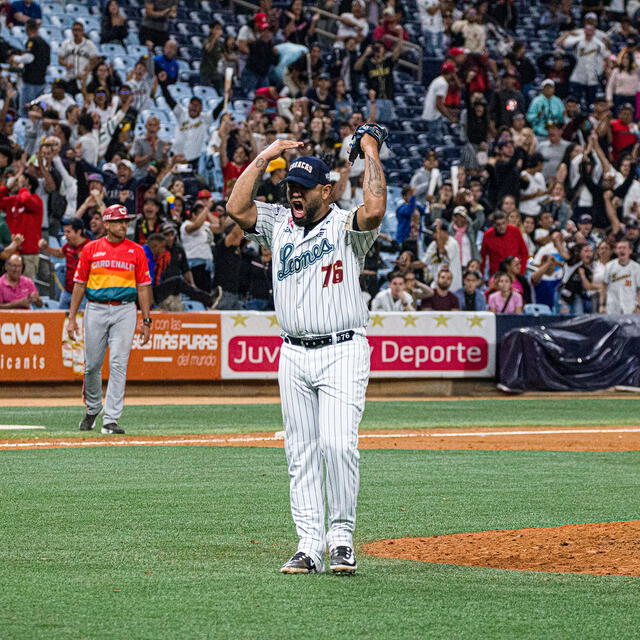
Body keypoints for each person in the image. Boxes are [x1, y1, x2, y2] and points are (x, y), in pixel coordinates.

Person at [225, 126, 388, 575]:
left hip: (342, 349)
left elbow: (373, 208)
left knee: (337, 446)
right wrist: (268, 154)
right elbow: (236, 206)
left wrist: (370, 148)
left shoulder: (343, 225)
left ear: (326, 189)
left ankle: (342, 539)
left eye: (302, 188)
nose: (294, 195)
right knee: (299, 453)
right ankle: (309, 545)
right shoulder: (278, 223)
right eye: (290, 187)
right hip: (293, 354)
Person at [67, 204, 152, 436]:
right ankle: (93, 408)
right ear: (106, 224)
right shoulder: (90, 249)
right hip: (95, 308)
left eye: (125, 221)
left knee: (118, 363)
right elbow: (79, 284)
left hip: (125, 309)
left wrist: (146, 320)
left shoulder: (136, 251)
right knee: (92, 365)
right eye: (118, 221)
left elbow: (144, 287)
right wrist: (72, 317)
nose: (123, 225)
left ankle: (111, 418)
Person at [38, 217, 89, 310]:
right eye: (65, 232)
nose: (65, 235)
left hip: (83, 294)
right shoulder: (69, 244)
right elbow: (60, 253)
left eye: (68, 232)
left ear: (78, 232)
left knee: (80, 319)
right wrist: (46, 247)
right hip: (67, 291)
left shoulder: (89, 247)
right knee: (60, 318)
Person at [0, 172, 43, 280]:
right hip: (11, 251)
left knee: (26, 290)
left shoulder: (37, 201)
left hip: (28, 254)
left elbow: (26, 200)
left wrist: (23, 188)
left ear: (29, 184)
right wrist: (6, 188)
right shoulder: (13, 200)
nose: (17, 181)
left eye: (20, 179)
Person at [16, 19, 50, 117]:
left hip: (30, 81)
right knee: (38, 109)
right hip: (41, 81)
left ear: (27, 28)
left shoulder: (32, 41)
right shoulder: (46, 44)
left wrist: (15, 58)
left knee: (25, 110)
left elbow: (29, 58)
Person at [480, 211, 529, 277]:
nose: (502, 227)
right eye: (498, 224)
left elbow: (524, 252)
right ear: (494, 224)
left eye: (503, 223)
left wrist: (521, 271)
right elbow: (483, 256)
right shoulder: (487, 235)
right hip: (496, 274)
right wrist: (482, 275)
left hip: (515, 273)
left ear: (507, 221)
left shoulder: (515, 231)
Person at [58, 21, 100, 96]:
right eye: (74, 30)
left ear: (83, 32)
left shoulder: (89, 44)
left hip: (86, 79)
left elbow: (95, 60)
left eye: (79, 30)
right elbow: (60, 60)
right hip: (70, 78)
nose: (76, 32)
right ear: (72, 31)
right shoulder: (66, 44)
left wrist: (89, 69)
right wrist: (66, 64)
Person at [600, 238, 640, 314]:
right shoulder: (609, 266)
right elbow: (604, 286)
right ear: (616, 251)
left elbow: (639, 289)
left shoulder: (637, 268)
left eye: (624, 248)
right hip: (612, 306)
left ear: (630, 251)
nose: (621, 250)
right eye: (619, 248)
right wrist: (602, 305)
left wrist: (638, 306)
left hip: (630, 307)